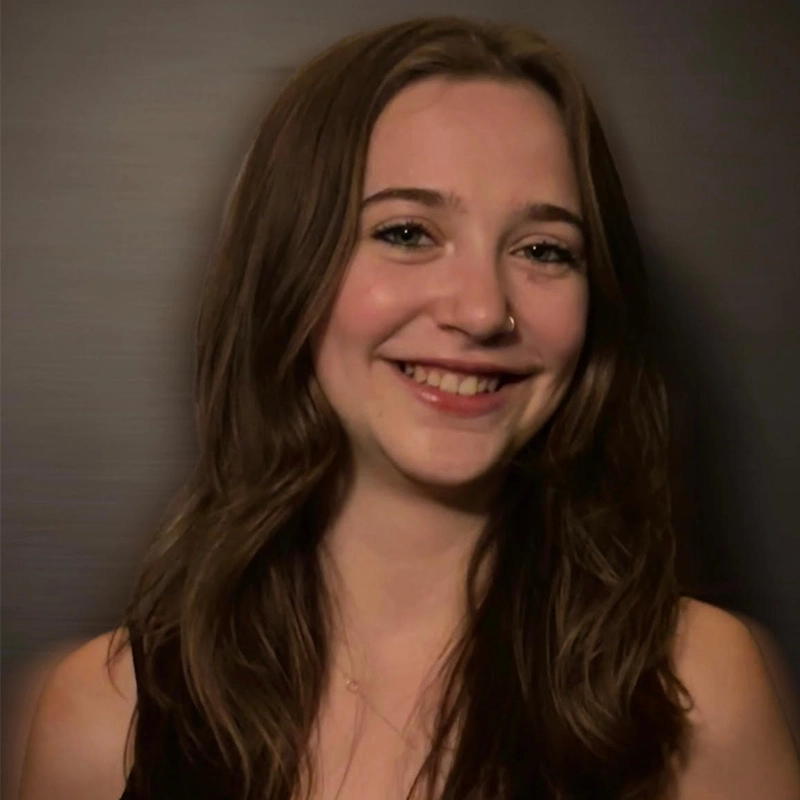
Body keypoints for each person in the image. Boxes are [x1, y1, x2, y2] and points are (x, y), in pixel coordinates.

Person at [15, 15, 800, 800]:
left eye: (543, 249)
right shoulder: (105, 718)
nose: (484, 309)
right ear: (289, 268)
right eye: (407, 232)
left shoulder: (696, 693)